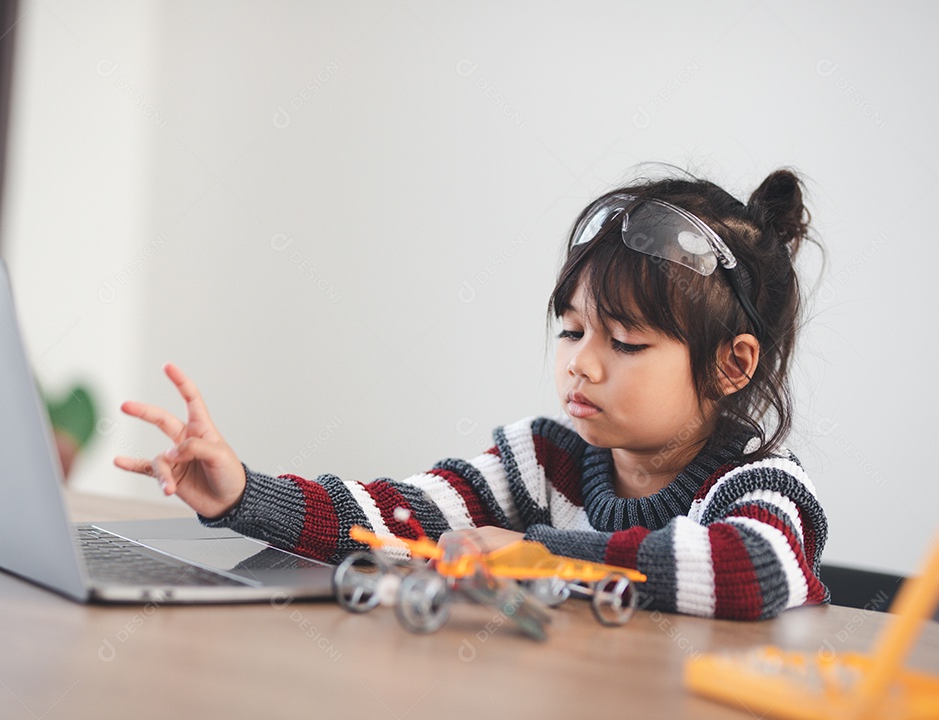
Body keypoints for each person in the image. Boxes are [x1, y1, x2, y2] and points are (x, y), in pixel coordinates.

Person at [114, 168, 829, 620]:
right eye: (571, 331)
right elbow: (400, 516)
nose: (580, 365)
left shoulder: (761, 485)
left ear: (731, 365)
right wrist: (245, 494)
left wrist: (539, 554)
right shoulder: (541, 461)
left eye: (625, 342)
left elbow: (753, 569)